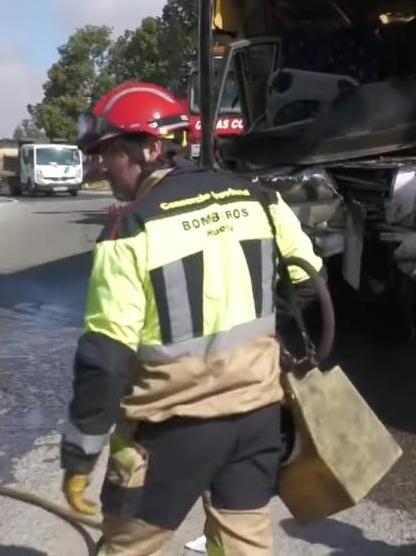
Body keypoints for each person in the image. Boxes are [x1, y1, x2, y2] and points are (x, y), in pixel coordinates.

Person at [61, 82, 323, 556]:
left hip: (175, 428)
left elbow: (105, 357)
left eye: (110, 151)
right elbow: (308, 279)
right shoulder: (260, 200)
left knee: (124, 548)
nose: (101, 166)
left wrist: (80, 454)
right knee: (244, 547)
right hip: (257, 417)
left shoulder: (130, 229)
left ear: (152, 147)